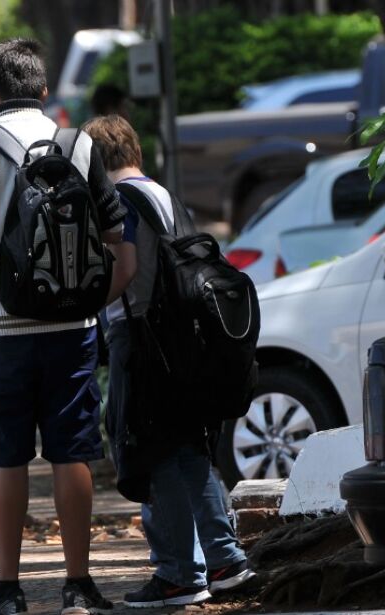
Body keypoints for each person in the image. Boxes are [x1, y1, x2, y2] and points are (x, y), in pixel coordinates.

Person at [0, 39, 126, 615]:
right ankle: (79, 586)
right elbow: (114, 233)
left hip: (2, 327)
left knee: (7, 458)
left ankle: (9, 590)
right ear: (43, 91)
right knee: (73, 454)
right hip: (73, 327)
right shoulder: (79, 144)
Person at [82, 114, 256, 608]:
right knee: (187, 449)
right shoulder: (164, 193)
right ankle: (223, 559)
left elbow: (127, 266)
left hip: (141, 337)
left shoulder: (118, 200)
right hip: (182, 340)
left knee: (150, 450)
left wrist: (90, 303)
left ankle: (180, 572)